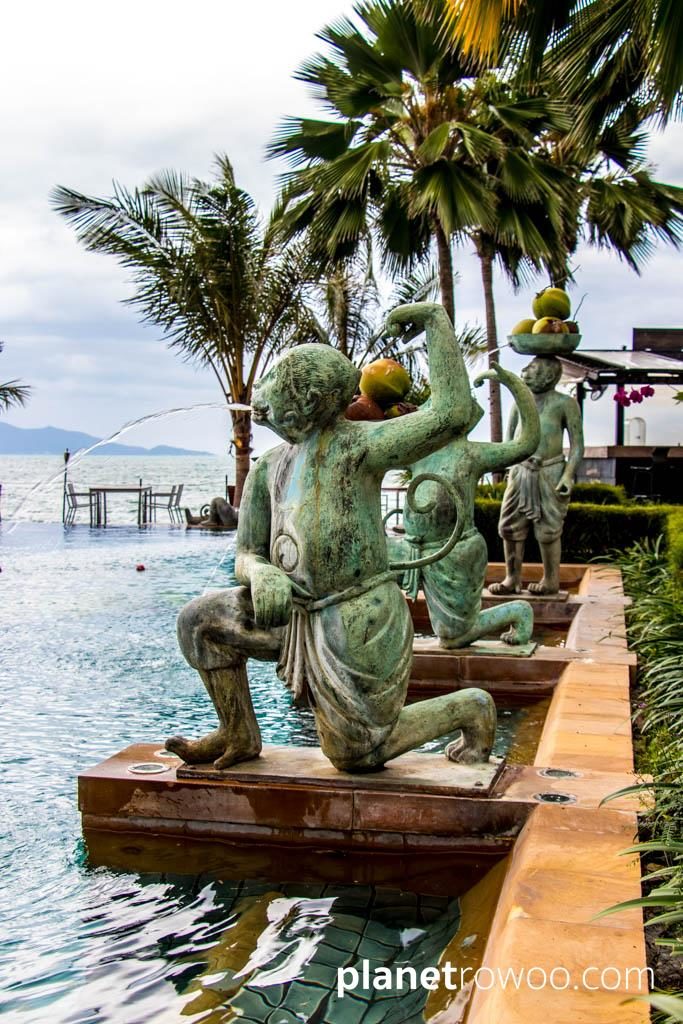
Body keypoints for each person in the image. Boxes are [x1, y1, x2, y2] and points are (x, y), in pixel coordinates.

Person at [166, 303, 496, 772]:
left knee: (356, 755)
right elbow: (246, 552)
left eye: (274, 385)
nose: (261, 397)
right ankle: (236, 730)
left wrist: (433, 321)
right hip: (290, 613)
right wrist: (260, 572)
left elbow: (452, 412)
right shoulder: (267, 467)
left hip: (356, 616)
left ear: (307, 401)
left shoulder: (360, 446)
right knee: (199, 622)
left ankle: (469, 708)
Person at [392, 364, 540, 647]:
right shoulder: (417, 451)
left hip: (456, 551)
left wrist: (515, 385)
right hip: (411, 549)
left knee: (453, 636)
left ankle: (517, 611)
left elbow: (526, 443)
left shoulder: (471, 454)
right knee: (364, 566)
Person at [489, 356, 584, 596]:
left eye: (532, 368)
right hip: (520, 471)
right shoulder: (520, 403)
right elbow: (508, 442)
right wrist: (507, 464)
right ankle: (512, 578)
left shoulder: (565, 403)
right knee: (509, 526)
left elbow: (577, 446)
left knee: (549, 529)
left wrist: (568, 475)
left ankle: (551, 579)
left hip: (550, 471)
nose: (525, 371)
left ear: (549, 376)